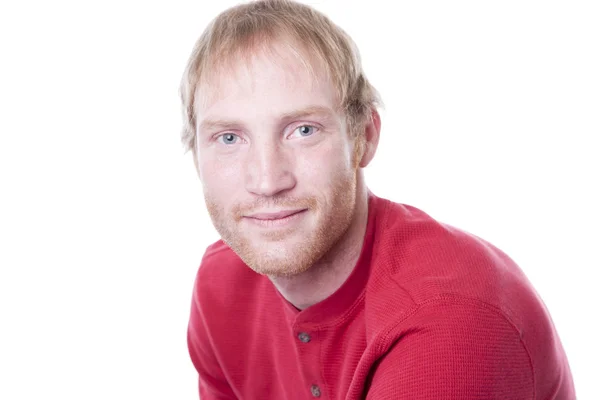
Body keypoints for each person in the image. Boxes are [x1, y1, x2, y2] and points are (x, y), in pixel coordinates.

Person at [179, 1, 575, 398]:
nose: (266, 180)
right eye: (229, 138)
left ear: (365, 137)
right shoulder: (221, 284)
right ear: (196, 157)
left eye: (303, 130)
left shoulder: (452, 320)